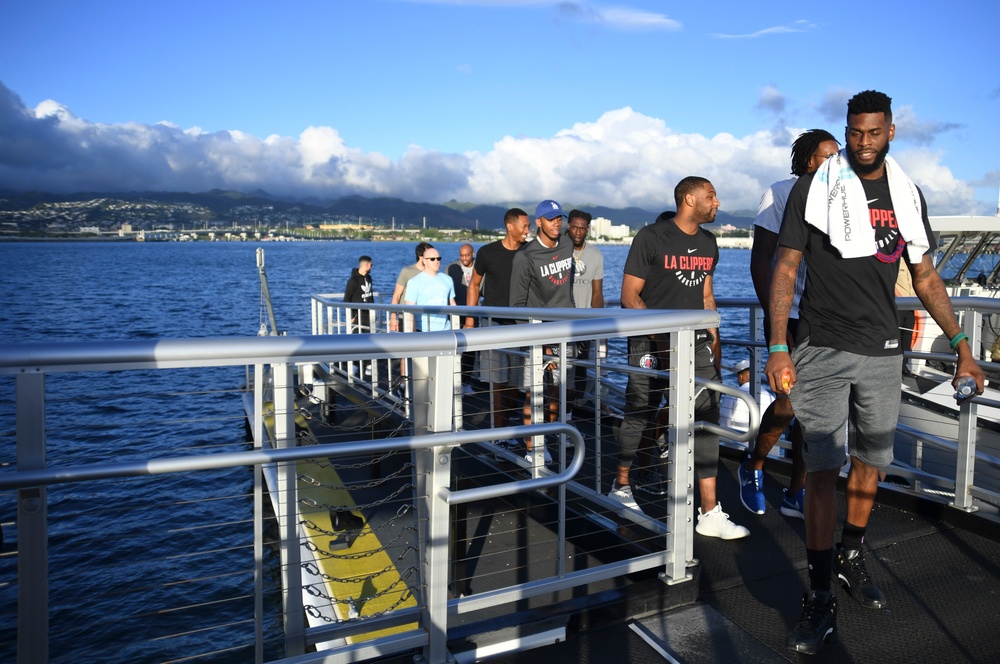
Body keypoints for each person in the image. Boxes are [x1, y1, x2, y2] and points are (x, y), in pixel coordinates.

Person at [766, 90, 985, 655]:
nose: (863, 143)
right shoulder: (815, 189)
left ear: (891, 130)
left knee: (870, 467)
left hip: (885, 350)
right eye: (855, 132)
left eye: (873, 132)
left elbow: (927, 275)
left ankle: (851, 552)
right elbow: (785, 266)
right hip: (821, 344)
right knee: (820, 469)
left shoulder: (907, 193)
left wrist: (961, 344)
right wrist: (776, 345)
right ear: (848, 129)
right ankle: (818, 593)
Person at [613, 177, 749, 541]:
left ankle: (709, 512)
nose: (717, 202)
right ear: (689, 199)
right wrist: (663, 338)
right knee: (640, 411)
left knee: (704, 419)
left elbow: (706, 296)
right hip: (650, 345)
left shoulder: (709, 243)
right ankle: (621, 486)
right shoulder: (651, 237)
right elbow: (629, 295)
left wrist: (714, 344)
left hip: (695, 346)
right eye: (711, 196)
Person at [742, 129, 840, 518]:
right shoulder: (780, 193)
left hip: (827, 317)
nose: (834, 163)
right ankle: (753, 466)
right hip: (790, 315)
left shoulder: (840, 199)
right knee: (788, 401)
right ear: (805, 160)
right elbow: (760, 257)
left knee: (814, 411)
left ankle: (796, 490)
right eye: (825, 156)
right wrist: (774, 318)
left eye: (838, 157)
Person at [510, 200, 575, 465]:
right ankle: (531, 448)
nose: (557, 222)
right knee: (533, 392)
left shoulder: (568, 245)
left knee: (559, 391)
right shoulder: (525, 257)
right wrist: (538, 341)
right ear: (539, 222)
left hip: (566, 332)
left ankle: (547, 436)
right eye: (550, 219)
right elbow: (516, 305)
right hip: (538, 334)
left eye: (559, 218)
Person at [465, 209, 531, 441]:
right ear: (510, 226)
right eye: (524, 226)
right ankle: (500, 436)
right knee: (498, 383)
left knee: (516, 383)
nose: (527, 230)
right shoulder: (487, 252)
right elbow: (474, 285)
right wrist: (470, 319)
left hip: (522, 326)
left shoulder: (529, 252)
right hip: (495, 325)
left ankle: (507, 431)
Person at [566, 209, 604, 411]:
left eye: (583, 228)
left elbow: (597, 292)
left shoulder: (595, 255)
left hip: (584, 326)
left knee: (579, 372)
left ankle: (569, 415)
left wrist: (598, 324)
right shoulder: (559, 250)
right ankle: (555, 416)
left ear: (587, 229)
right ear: (568, 226)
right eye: (574, 227)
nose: (578, 232)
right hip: (561, 322)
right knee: (558, 372)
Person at [404, 246, 455, 331]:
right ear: (424, 261)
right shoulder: (414, 282)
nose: (436, 262)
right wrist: (412, 334)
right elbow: (410, 311)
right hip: (424, 330)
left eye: (438, 258)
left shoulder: (448, 279)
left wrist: (455, 328)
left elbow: (453, 304)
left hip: (446, 330)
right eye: (432, 259)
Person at [447, 244, 476, 389]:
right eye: (461, 255)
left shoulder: (479, 267)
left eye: (467, 255)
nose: (464, 258)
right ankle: (455, 379)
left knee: (471, 348)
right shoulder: (452, 268)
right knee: (457, 346)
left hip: (474, 312)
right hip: (457, 313)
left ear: (473, 254)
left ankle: (466, 380)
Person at [719, 359, 775, 432]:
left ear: (740, 377)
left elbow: (724, 422)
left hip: (736, 440)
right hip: (763, 440)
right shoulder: (771, 397)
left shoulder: (733, 395)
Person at [390, 242, 433, 332]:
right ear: (421, 256)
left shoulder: (432, 273)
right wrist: (393, 317)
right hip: (406, 317)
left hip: (426, 318)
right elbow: (397, 294)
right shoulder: (407, 271)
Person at [344, 254, 374, 375]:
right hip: (357, 315)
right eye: (371, 264)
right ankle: (355, 364)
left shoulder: (369, 278)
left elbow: (370, 295)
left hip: (368, 314)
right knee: (355, 340)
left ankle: (368, 364)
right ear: (366, 265)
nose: (372, 267)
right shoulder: (353, 280)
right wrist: (351, 316)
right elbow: (347, 298)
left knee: (370, 340)